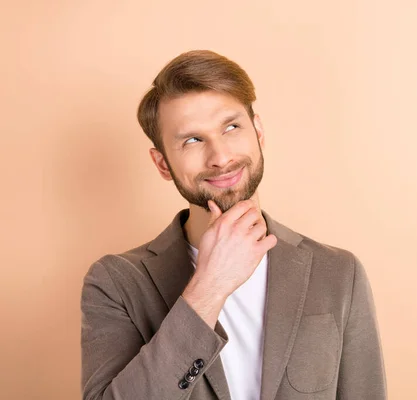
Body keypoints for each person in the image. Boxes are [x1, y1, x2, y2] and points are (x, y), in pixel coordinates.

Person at [80, 50, 387, 400]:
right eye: (192, 140)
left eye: (231, 127)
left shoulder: (338, 273)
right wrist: (209, 287)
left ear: (258, 131)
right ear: (162, 163)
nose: (221, 157)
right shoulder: (115, 283)